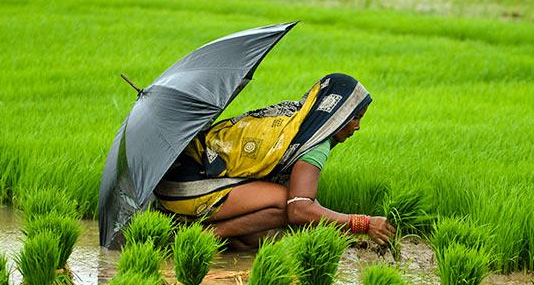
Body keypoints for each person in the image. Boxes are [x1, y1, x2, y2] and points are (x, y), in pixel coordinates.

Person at [154, 73, 396, 249]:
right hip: (186, 185)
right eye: (355, 118)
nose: (358, 127)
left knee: (263, 238)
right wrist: (363, 224)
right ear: (338, 114)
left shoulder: (297, 119)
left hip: (177, 178)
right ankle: (206, 235)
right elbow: (299, 208)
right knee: (286, 203)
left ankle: (215, 237)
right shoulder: (314, 144)